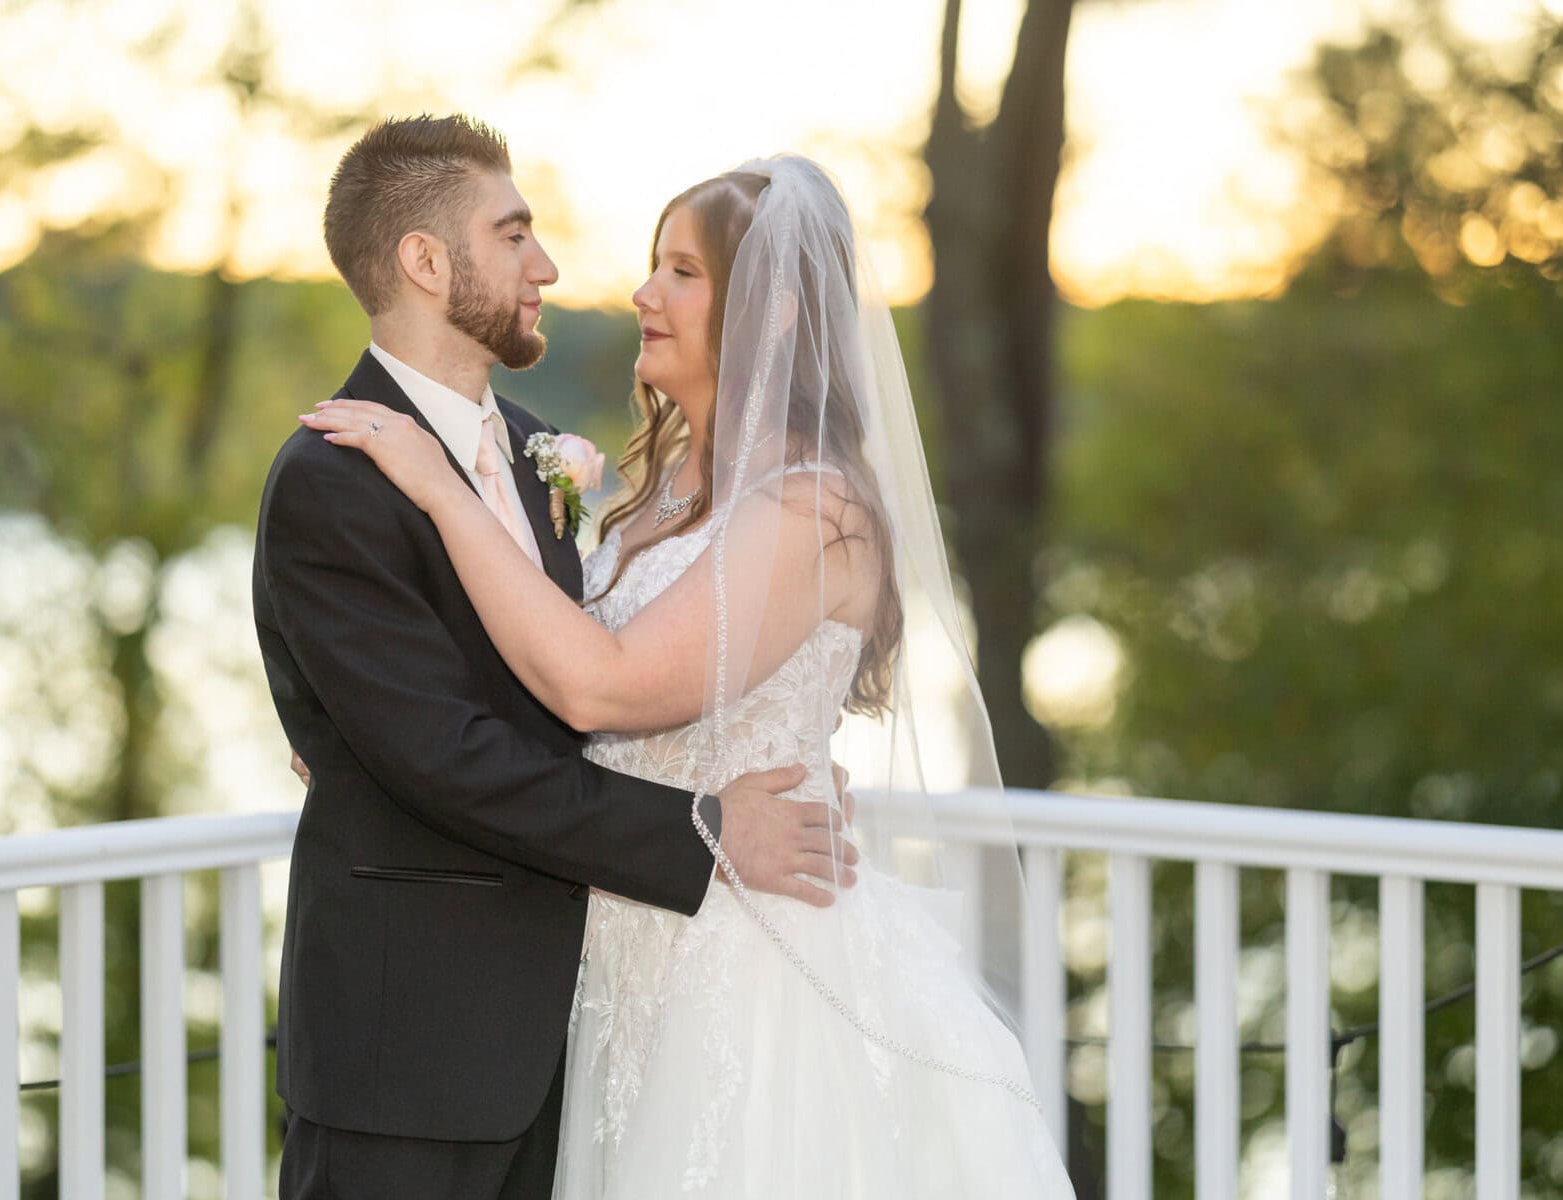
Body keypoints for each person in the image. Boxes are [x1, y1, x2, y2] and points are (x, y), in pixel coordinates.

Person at [304, 155, 1075, 1196]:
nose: (639, 294)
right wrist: (369, 733)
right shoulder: (657, 489)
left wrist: (440, 494)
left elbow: (603, 688)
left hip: (750, 969)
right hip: (617, 962)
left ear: (777, 314)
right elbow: (531, 671)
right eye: (652, 266)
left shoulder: (814, 507)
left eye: (681, 271)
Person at [255, 116, 858, 1200]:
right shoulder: (333, 476)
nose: (549, 267)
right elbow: (442, 754)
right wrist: (706, 827)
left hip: (581, 1026)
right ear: (426, 262)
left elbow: (576, 682)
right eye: (514, 234)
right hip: (411, 1047)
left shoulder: (542, 461)